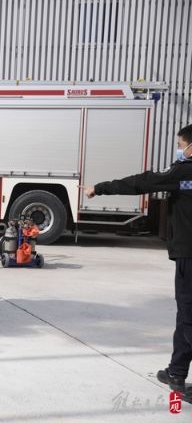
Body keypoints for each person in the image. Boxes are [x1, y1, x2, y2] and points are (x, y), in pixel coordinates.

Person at [80, 124, 192, 393]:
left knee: (189, 316)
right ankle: (176, 373)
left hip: (190, 254)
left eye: (180, 145)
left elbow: (142, 182)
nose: (179, 150)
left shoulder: (184, 171)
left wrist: (100, 188)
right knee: (185, 315)